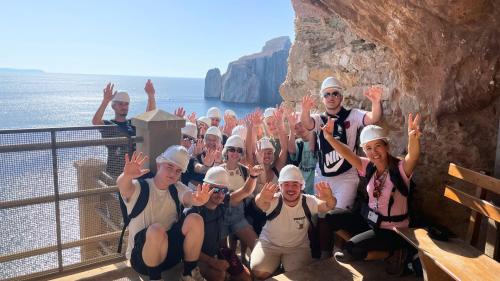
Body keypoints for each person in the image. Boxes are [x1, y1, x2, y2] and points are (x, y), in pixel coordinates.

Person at [321, 113, 420, 275]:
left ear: (386, 146)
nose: (374, 152)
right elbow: (347, 154)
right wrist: (330, 138)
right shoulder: (369, 167)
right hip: (371, 223)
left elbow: (413, 157)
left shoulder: (400, 169)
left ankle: (393, 254)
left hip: (394, 230)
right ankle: (362, 246)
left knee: (351, 251)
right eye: (368, 148)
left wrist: (413, 138)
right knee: (330, 217)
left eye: (378, 146)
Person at [300, 76, 382, 257]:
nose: (331, 97)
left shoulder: (352, 116)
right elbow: (306, 123)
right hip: (323, 176)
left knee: (339, 215)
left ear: (341, 97)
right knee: (322, 215)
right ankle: (324, 254)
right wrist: (304, 110)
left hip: (346, 176)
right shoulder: (319, 119)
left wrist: (376, 101)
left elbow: (373, 118)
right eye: (327, 94)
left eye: (335, 93)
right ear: (323, 98)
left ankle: (340, 251)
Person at [117, 146, 213, 281]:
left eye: (178, 170)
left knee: (195, 219)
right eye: (169, 166)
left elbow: (190, 197)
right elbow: (123, 187)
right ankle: (155, 279)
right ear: (158, 164)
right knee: (156, 229)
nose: (173, 173)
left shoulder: (177, 188)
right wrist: (126, 175)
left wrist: (199, 200)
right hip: (143, 260)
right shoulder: (140, 187)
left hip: (169, 255)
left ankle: (189, 273)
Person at [250, 165, 336, 279]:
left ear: (301, 186)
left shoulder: (308, 201)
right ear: (280, 186)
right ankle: (273, 264)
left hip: (297, 247)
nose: (290, 188)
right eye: (286, 184)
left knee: (299, 276)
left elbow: (328, 206)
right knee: (259, 271)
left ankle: (282, 266)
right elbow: (260, 203)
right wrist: (261, 196)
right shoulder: (275, 200)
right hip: (269, 244)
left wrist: (329, 198)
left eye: (295, 184)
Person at [185, 165, 263, 281]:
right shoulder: (194, 212)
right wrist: (213, 262)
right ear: (205, 186)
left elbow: (245, 191)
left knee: (246, 277)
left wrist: (253, 176)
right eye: (215, 190)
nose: (220, 194)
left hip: (218, 253)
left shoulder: (222, 203)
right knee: (219, 276)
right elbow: (187, 250)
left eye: (224, 190)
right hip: (198, 259)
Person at [92, 80, 157, 178]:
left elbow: (149, 115)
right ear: (113, 106)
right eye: (120, 104)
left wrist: (151, 95)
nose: (124, 106)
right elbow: (96, 121)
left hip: (135, 172)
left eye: (126, 104)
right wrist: (105, 101)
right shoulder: (109, 125)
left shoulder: (132, 123)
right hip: (117, 173)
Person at [286, 111, 318, 195]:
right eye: (296, 127)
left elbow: (313, 147)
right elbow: (291, 150)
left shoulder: (318, 140)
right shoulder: (298, 143)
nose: (300, 128)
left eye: (301, 124)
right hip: (303, 191)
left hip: (317, 190)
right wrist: (291, 129)